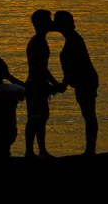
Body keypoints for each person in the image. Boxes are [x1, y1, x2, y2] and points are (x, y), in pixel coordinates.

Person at [54, 10, 99, 156]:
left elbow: (74, 65)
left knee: (89, 114)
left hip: (85, 81)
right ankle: (90, 149)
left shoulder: (73, 40)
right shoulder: (72, 37)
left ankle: (90, 149)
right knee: (88, 114)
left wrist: (63, 83)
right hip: (83, 81)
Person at [24, 9, 65, 160]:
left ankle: (41, 150)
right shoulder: (38, 42)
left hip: (37, 83)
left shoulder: (39, 40)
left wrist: (52, 84)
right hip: (36, 85)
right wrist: (55, 84)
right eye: (48, 20)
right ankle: (31, 151)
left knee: (41, 117)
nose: (51, 23)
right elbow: (40, 68)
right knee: (35, 117)